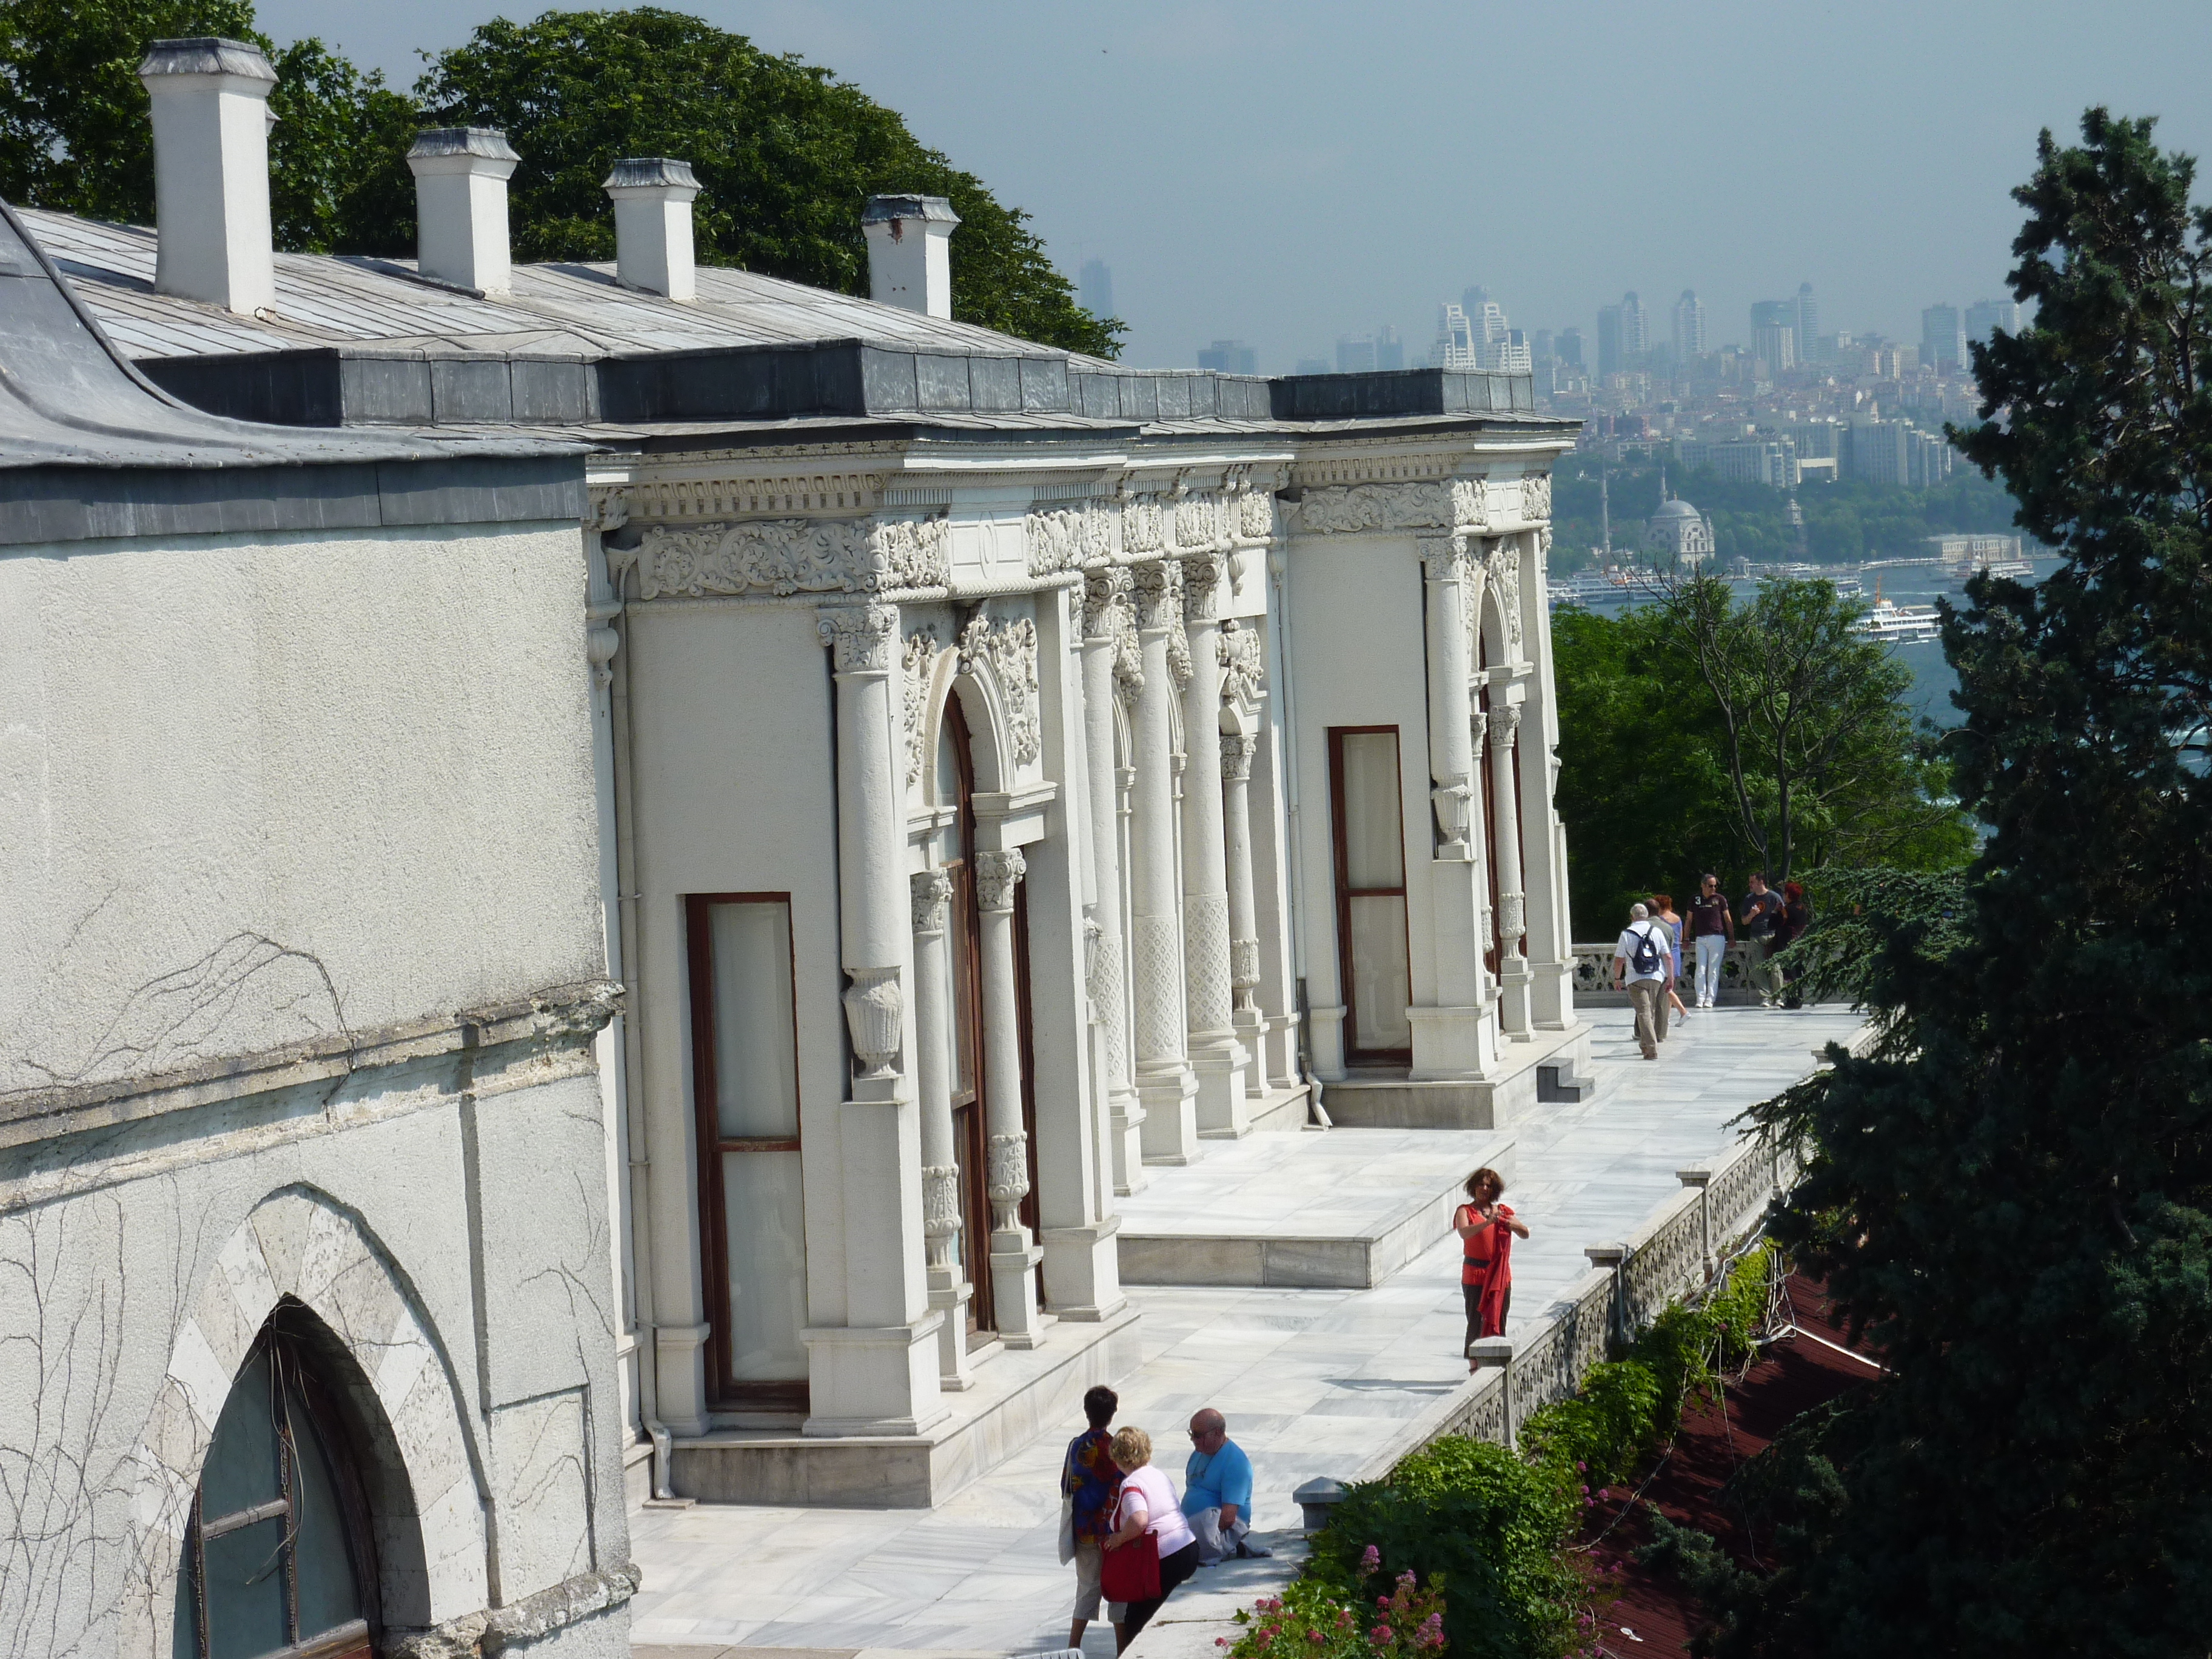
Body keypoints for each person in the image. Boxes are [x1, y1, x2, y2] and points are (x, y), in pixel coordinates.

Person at [1104, 1426, 1201, 1652]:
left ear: (1119, 1457)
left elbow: (1139, 1520)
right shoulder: (1158, 1475)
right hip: (1188, 1547)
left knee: (1135, 1623)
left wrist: (1118, 1539)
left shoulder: (1132, 1483)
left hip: (1166, 1558)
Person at [1061, 1385, 1123, 1652]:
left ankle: (1074, 1646)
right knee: (1119, 1591)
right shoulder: (1116, 1448)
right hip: (1113, 1531)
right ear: (1112, 1414)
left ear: (1086, 1412)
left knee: (1086, 1588)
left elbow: (1065, 1485)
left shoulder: (1076, 1445)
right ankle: (1123, 1650)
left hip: (1084, 1530)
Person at [1454, 1166, 1529, 1367]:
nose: (1484, 1189)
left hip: (1500, 1276)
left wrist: (1511, 1224)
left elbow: (1525, 1232)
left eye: (1488, 1185)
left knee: (1498, 1318)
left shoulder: (1503, 1211)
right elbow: (1465, 1233)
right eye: (1481, 1184)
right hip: (1475, 1275)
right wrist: (1487, 1223)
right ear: (1474, 1187)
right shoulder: (1465, 1211)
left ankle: (1497, 1361)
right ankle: (1474, 1367)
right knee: (1476, 1321)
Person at [1184, 1408, 1269, 1564]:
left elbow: (1228, 1518)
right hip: (1194, 1529)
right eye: (1191, 1434)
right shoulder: (1198, 1453)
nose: (1193, 1440)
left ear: (1217, 1433)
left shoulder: (1235, 1462)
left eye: (1198, 1435)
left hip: (1219, 1533)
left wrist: (1197, 1536)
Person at [1612, 901, 1672, 1059]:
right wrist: (1670, 977)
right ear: (1646, 916)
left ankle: (1651, 1049)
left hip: (1635, 978)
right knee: (1649, 1011)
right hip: (1656, 977)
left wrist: (1617, 979)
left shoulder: (1627, 933)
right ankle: (1645, 1045)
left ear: (1632, 917)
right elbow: (1668, 956)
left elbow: (1619, 960)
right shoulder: (1657, 931)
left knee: (1644, 1012)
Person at [1686, 873, 1734, 1009]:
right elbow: (1689, 920)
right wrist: (1686, 937)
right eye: (1710, 886)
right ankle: (1700, 998)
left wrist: (1731, 937)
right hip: (1701, 938)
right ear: (1703, 885)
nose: (1713, 889)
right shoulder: (1695, 900)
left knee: (1713, 969)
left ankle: (1710, 999)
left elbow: (1728, 919)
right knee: (1700, 969)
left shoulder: (1720, 899)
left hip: (1717, 937)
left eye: (1715, 886)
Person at [1741, 873, 1786, 1007]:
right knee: (1758, 967)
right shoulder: (1749, 899)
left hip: (1772, 935)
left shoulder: (1773, 897)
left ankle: (1778, 996)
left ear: (1761, 882)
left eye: (1752, 882)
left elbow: (1784, 916)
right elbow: (1744, 921)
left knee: (1775, 967)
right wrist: (1751, 915)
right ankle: (1766, 996)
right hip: (1756, 936)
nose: (1750, 885)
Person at [1652, 893, 1691, 1024]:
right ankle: (1666, 1018)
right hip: (1676, 953)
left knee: (1665, 988)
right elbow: (1679, 939)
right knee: (1670, 986)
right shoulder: (1677, 919)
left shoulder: (1660, 920)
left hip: (1665, 954)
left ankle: (1683, 1011)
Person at [1776, 881, 1814, 1008]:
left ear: (1788, 894)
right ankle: (1800, 998)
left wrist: (1778, 912)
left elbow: (1779, 923)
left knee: (1788, 973)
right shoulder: (1803, 907)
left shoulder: (1787, 909)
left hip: (1789, 943)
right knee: (1798, 972)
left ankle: (1792, 1000)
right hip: (1800, 942)